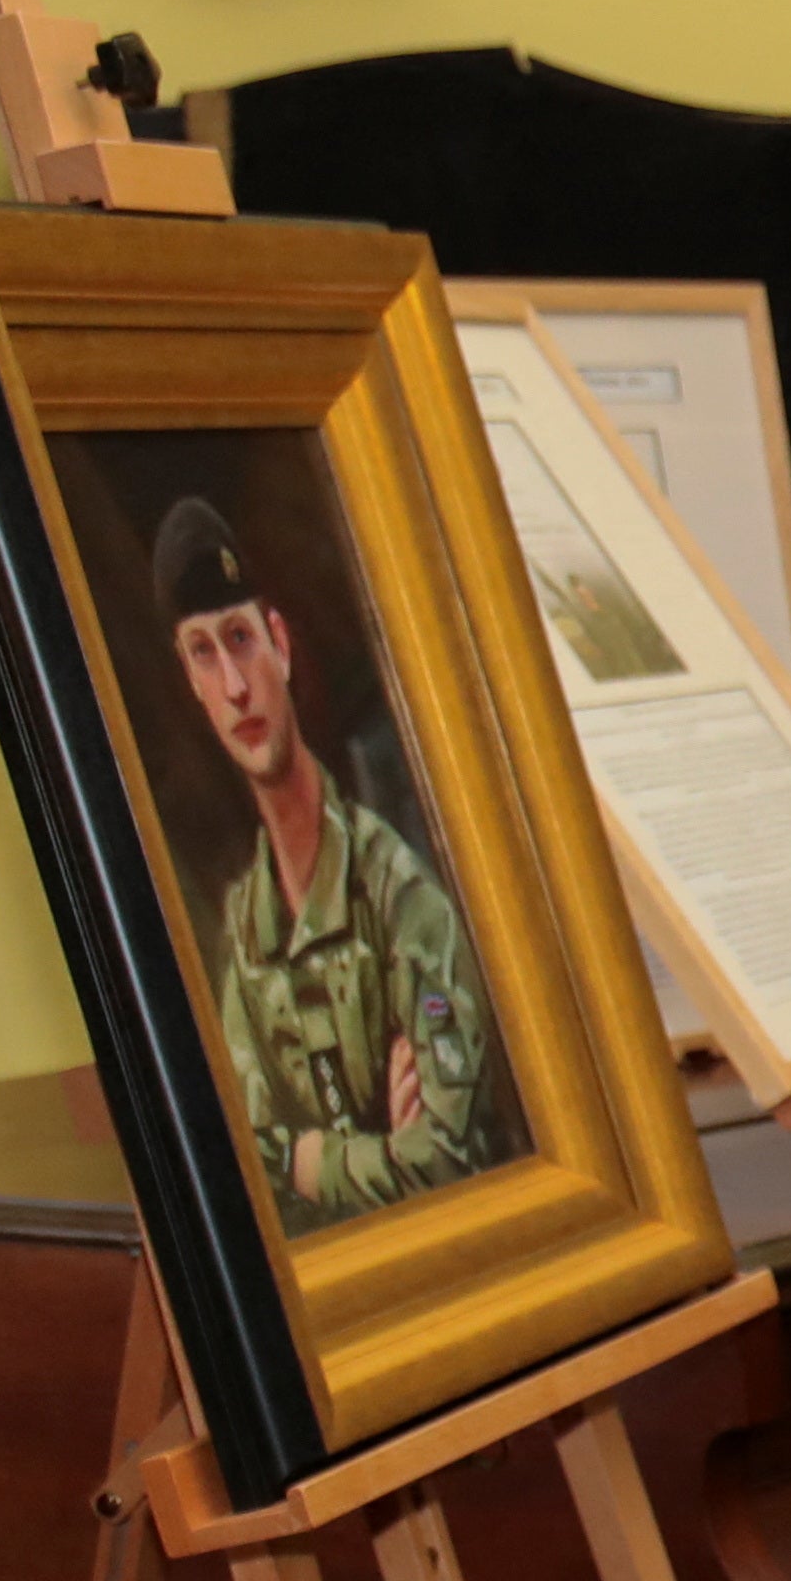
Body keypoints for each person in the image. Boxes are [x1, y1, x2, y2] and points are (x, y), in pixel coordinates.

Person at [150, 496, 501, 1228]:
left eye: (241, 639)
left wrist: (312, 1159)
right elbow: (248, 1177)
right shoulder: (246, 935)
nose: (236, 687)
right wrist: (374, 1152)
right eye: (204, 654)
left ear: (279, 643)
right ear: (189, 680)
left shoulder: (398, 895)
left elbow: (445, 1158)